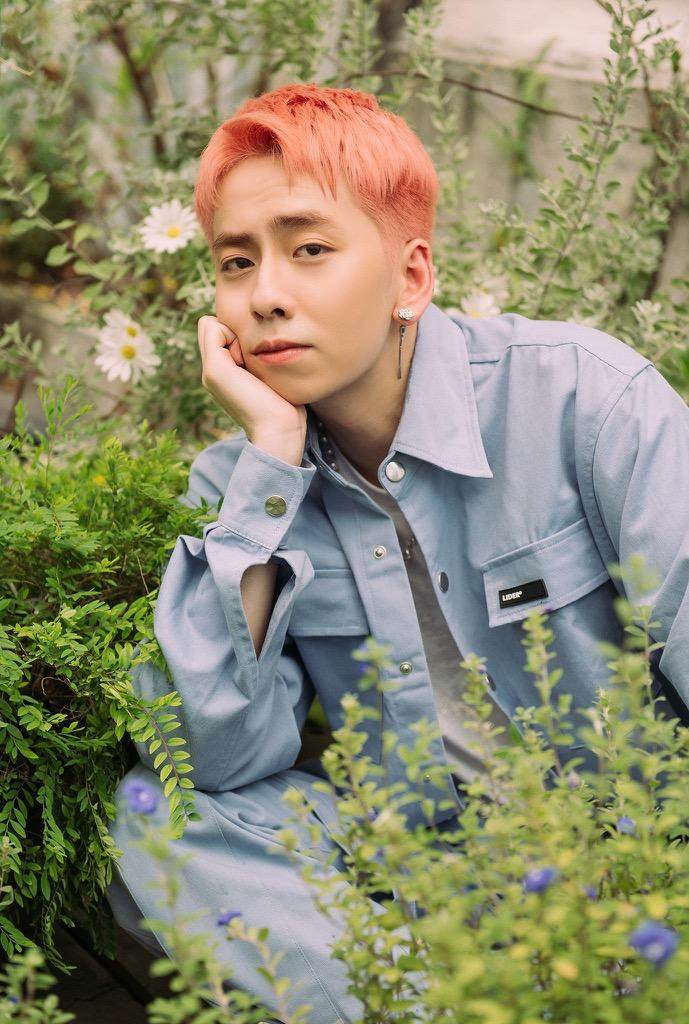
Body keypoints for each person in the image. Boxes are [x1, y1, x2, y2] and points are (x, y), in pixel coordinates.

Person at [106, 82, 689, 1023]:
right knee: (157, 825)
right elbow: (209, 758)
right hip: (425, 885)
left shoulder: (586, 400)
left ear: (410, 278)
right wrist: (271, 463)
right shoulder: (240, 485)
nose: (265, 294)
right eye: (235, 262)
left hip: (638, 863)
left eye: (308, 248)